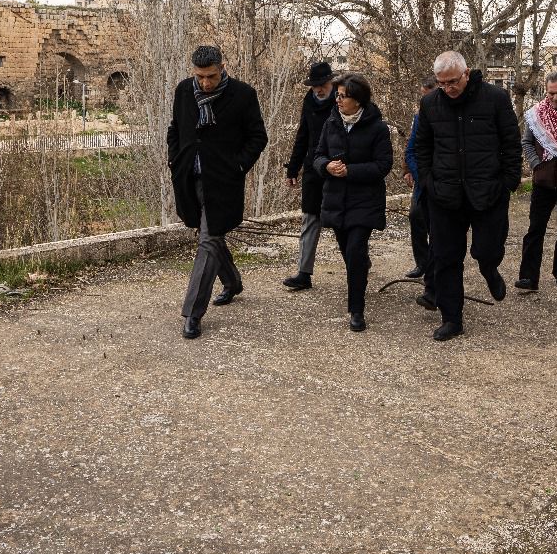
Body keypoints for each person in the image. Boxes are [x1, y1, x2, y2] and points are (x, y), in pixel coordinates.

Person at [414, 51, 520, 341]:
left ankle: (489, 269)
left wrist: (508, 182)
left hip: (488, 192)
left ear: (467, 73)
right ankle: (452, 318)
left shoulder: (495, 98)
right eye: (442, 83)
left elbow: (511, 142)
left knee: (487, 249)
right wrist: (427, 181)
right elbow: (422, 146)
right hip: (444, 194)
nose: (448, 88)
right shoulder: (430, 103)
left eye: (453, 82)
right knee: (445, 257)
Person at [167, 45, 269, 339]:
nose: (205, 83)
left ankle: (193, 312)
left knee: (209, 238)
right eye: (200, 76)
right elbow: (175, 128)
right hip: (189, 178)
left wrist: (238, 166)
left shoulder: (243, 94)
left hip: (223, 182)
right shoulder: (184, 91)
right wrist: (174, 159)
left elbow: (258, 137)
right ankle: (233, 282)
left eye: (211, 76)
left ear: (222, 68)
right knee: (208, 234)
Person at [312, 74, 393, 332]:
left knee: (356, 248)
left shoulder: (377, 128)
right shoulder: (331, 123)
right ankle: (360, 271)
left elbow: (383, 165)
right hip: (336, 200)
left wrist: (350, 171)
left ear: (358, 100)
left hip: (365, 200)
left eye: (343, 96)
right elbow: (317, 156)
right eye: (337, 95)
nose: (338, 100)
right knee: (348, 251)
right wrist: (326, 166)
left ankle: (356, 310)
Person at [515, 71, 557, 292]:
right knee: (535, 229)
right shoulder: (535, 115)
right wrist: (537, 164)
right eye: (550, 93)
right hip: (543, 182)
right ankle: (528, 277)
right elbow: (527, 142)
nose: (555, 97)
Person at [281, 62, 338, 290]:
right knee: (310, 218)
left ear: (331, 82)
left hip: (338, 168)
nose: (318, 90)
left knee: (342, 221)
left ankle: (358, 262)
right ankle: (304, 273)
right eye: (314, 86)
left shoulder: (344, 98)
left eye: (322, 85)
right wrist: (293, 168)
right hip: (313, 168)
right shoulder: (309, 100)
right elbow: (302, 135)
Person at [403, 76, 437, 286]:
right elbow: (411, 149)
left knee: (437, 225)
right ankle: (422, 263)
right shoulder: (419, 117)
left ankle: (435, 268)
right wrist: (414, 173)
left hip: (442, 179)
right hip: (423, 180)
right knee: (416, 216)